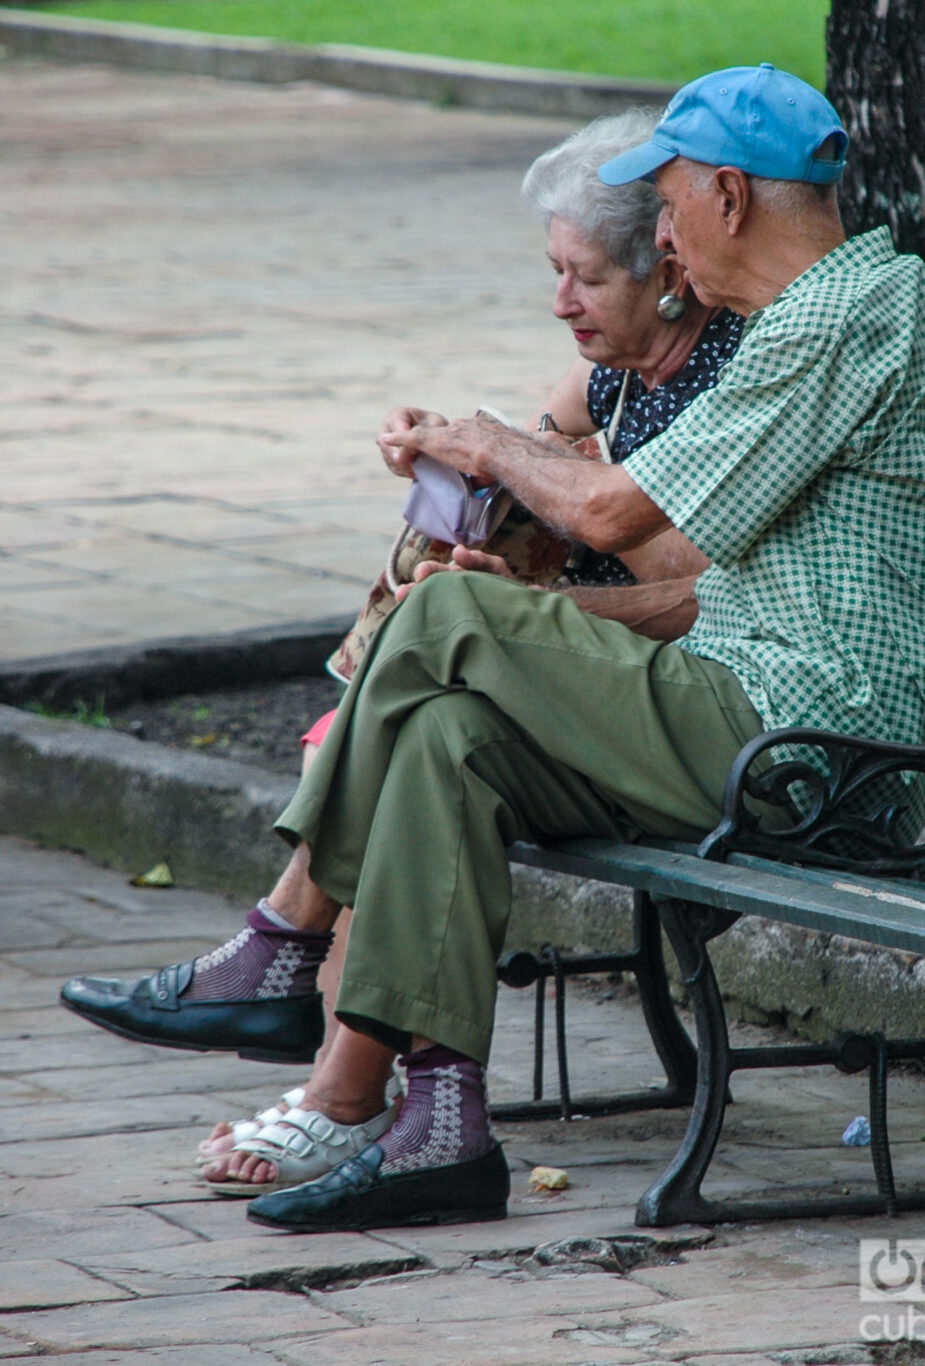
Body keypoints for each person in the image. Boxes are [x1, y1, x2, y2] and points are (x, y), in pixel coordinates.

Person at [62, 65, 925, 1235]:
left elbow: (608, 519)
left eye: (670, 200)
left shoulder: (839, 316)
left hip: (821, 745)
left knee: (440, 615)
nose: (662, 226)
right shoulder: (813, 318)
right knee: (449, 735)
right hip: (757, 709)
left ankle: (282, 944)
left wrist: (485, 444)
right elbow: (716, 584)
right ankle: (440, 1127)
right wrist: (518, 605)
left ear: (731, 198)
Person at [65, 109, 745, 1199]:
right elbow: (537, 475)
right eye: (552, 271)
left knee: (423, 657)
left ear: (664, 270)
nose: (559, 302)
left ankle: (296, 978)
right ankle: (418, 1112)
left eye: (584, 279)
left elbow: (700, 591)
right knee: (426, 720)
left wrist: (527, 563)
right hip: (572, 687)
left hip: (664, 703)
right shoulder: (610, 371)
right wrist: (459, 476)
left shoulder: (735, 381)